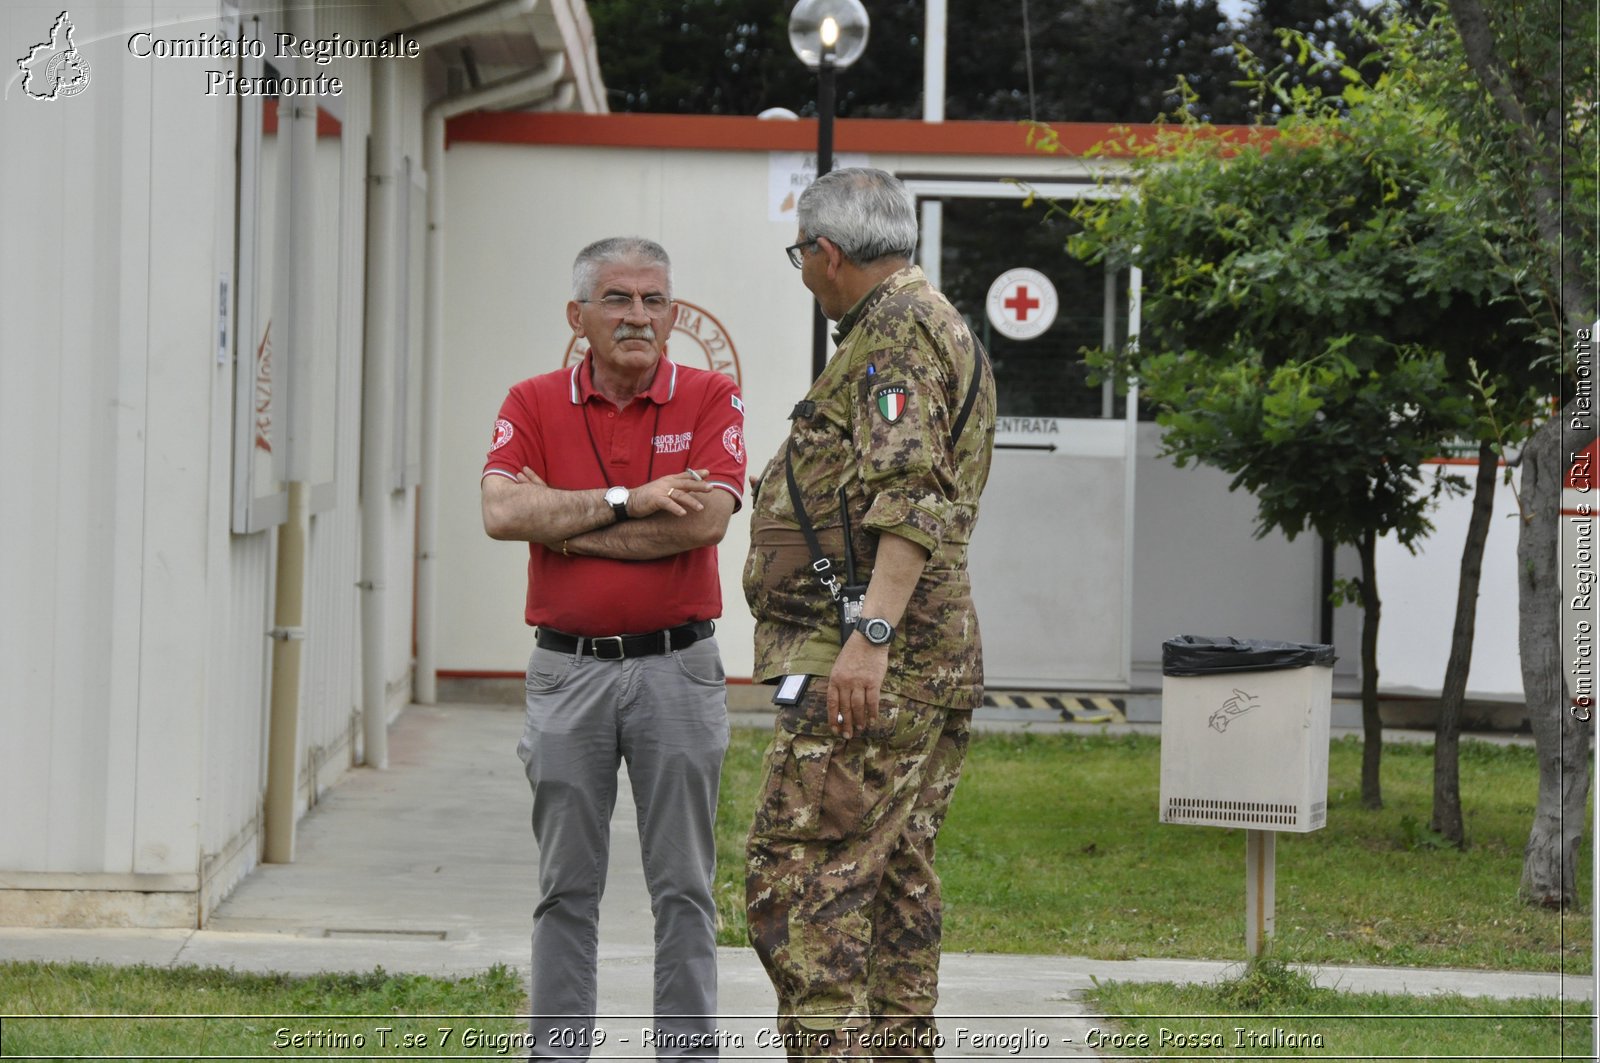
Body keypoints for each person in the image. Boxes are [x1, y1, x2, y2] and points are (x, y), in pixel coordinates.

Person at [743, 168, 997, 1060]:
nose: (803, 274)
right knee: (892, 877)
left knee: (800, 877)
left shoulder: (893, 332)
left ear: (828, 252)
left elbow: (913, 495)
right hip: (927, 662)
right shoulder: (929, 321)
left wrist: (870, 638)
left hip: (875, 663)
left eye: (801, 258)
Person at [481, 236, 746, 1061]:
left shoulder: (710, 396)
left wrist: (568, 524)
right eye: (619, 299)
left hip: (679, 668)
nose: (638, 316)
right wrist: (630, 501)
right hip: (569, 671)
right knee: (565, 887)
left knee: (685, 889)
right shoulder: (530, 401)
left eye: (654, 300)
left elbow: (703, 520)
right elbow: (500, 512)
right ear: (578, 315)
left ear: (671, 313)